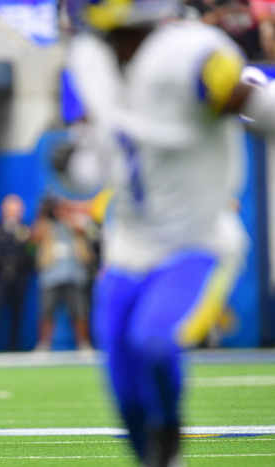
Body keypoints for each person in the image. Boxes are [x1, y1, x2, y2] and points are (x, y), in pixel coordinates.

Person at [65, 0, 272, 464]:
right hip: (129, 242)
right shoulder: (90, 60)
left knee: (155, 340)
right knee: (120, 373)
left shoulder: (190, 55)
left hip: (196, 238)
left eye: (122, 36)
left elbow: (254, 104)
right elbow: (104, 150)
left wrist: (252, 103)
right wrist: (78, 164)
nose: (116, 50)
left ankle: (170, 431)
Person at [31, 196, 92, 351]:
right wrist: (44, 214)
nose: (59, 211)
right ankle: (44, 345)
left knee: (79, 311)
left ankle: (83, 345)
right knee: (47, 312)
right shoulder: (45, 224)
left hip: (74, 273)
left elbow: (85, 229)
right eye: (56, 208)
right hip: (51, 274)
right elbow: (35, 237)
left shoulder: (75, 221)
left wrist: (67, 211)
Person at [0, 193, 34, 351]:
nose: (13, 212)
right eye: (10, 208)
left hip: (18, 279)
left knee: (17, 314)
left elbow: (31, 257)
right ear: (3, 210)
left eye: (16, 209)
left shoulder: (27, 232)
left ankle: (14, 348)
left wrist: (19, 267)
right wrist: (0, 267)